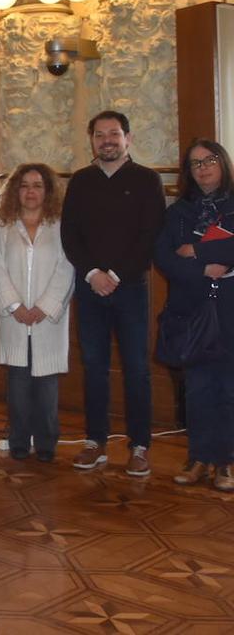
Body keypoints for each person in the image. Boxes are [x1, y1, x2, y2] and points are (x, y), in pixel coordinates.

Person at [61, 110, 165, 475]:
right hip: (89, 290)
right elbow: (69, 235)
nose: (107, 140)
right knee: (94, 368)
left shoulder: (147, 180)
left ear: (128, 138)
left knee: (137, 369)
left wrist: (115, 275)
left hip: (131, 289)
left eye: (114, 133)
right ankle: (95, 442)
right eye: (100, 134)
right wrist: (92, 274)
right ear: (91, 140)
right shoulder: (80, 181)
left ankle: (139, 446)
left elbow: (149, 236)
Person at [153, 139, 234, 491]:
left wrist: (197, 249)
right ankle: (199, 457)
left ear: (223, 163)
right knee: (198, 389)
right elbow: (165, 257)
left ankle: (226, 462)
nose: (203, 167)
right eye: (195, 163)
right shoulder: (177, 212)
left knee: (229, 389)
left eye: (210, 159)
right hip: (191, 310)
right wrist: (202, 270)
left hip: (230, 308)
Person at [0, 164, 74, 463]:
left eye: (37, 185)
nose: (31, 191)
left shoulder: (61, 226)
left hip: (47, 320)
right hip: (15, 318)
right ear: (15, 191)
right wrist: (16, 306)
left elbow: (67, 268)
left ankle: (47, 442)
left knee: (47, 385)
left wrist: (44, 307)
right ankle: (19, 440)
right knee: (18, 383)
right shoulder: (1, 228)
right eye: (24, 185)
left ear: (47, 191)